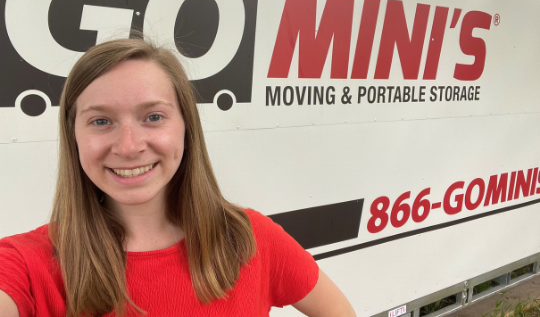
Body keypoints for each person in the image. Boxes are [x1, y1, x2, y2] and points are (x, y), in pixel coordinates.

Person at [0, 37, 356, 317]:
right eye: (101, 121)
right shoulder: (26, 263)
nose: (129, 146)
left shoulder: (250, 238)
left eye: (153, 117)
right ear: (73, 134)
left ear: (186, 127)